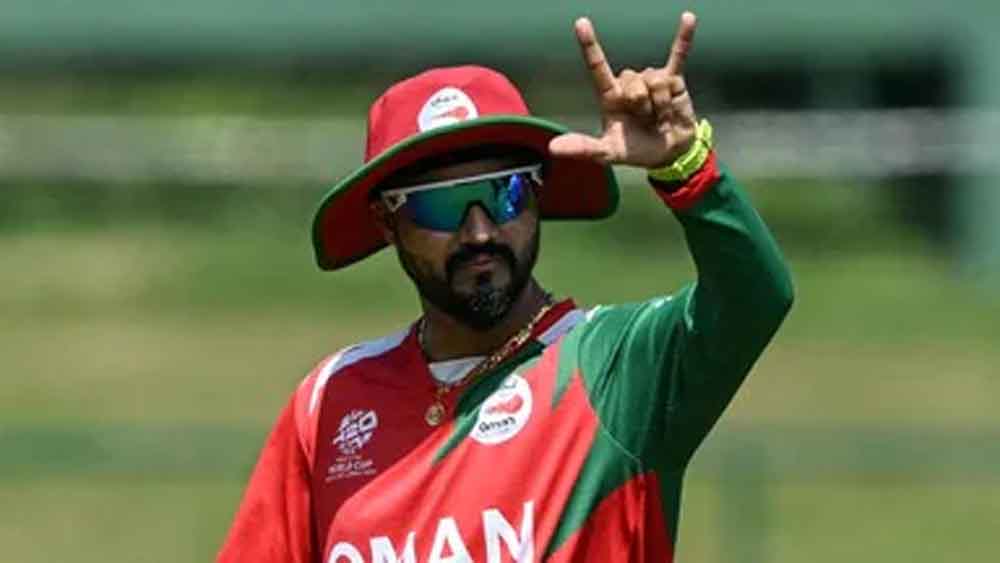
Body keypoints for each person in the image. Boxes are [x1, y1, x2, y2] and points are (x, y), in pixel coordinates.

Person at [218, 11, 793, 563]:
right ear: (387, 223)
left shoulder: (616, 368)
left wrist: (687, 168)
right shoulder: (330, 400)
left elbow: (755, 297)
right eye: (441, 206)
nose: (480, 232)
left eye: (505, 193)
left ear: (539, 195)